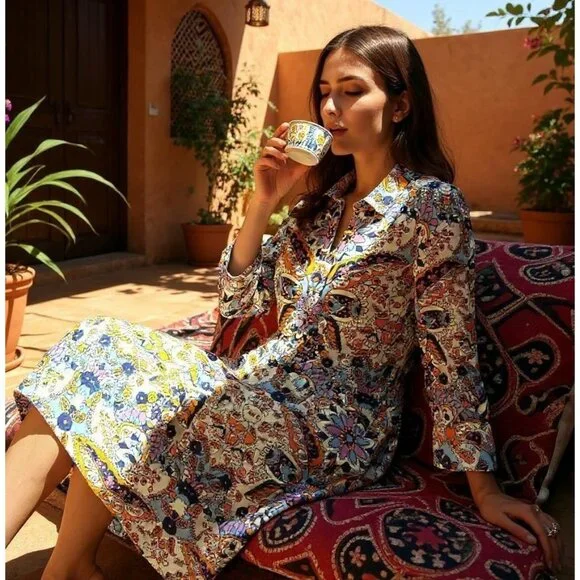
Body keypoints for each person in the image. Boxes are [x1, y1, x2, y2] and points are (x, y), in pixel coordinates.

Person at [6, 25, 562, 580]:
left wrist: (484, 489)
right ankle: (70, 566)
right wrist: (263, 201)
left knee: (114, 373)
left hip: (334, 427)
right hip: (256, 387)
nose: (331, 107)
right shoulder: (319, 208)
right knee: (98, 344)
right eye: (324, 92)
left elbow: (450, 351)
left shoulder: (430, 207)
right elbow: (239, 305)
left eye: (352, 90)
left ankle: (69, 568)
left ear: (400, 105)